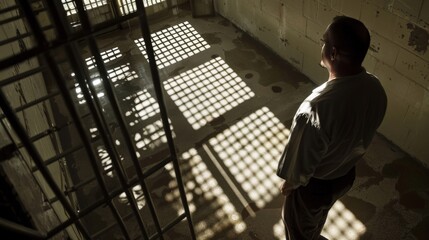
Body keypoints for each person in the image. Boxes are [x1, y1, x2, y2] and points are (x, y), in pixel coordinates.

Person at [277, 16, 387, 239]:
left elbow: (298, 170)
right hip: (345, 175)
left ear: (334, 53)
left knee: (297, 228)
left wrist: (290, 185)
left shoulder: (315, 109)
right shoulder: (375, 87)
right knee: (317, 217)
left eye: (324, 40)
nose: (322, 44)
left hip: (315, 187)